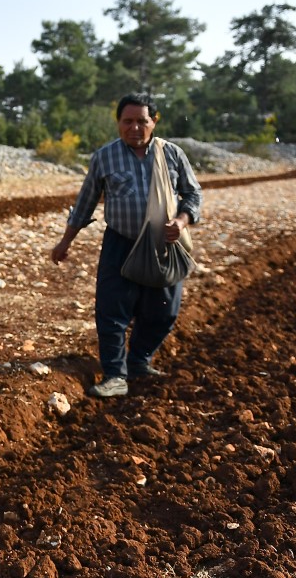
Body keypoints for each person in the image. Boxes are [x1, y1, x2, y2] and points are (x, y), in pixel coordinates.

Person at [50, 93, 202, 398]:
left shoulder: (172, 154)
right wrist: (65, 241)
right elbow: (85, 204)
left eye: (141, 121)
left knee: (164, 311)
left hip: (163, 244)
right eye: (127, 121)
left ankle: (139, 361)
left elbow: (192, 195)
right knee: (112, 311)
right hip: (120, 242)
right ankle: (115, 375)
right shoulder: (104, 157)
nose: (134, 127)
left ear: (153, 122)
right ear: (118, 123)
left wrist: (182, 222)